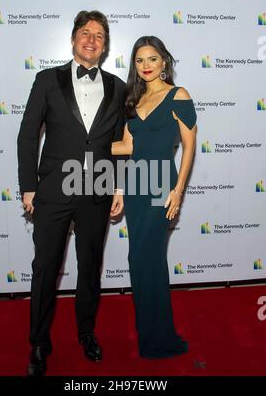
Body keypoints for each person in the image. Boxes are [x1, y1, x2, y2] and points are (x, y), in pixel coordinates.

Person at [17, 10, 126, 376]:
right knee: (45, 268)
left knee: (90, 268)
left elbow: (119, 143)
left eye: (99, 35)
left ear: (105, 45)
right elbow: (28, 135)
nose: (91, 39)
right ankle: (38, 342)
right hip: (53, 190)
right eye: (85, 32)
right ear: (73, 39)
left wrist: (119, 185)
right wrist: (28, 186)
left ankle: (86, 332)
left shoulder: (117, 87)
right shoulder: (47, 80)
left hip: (96, 190)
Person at [112, 36, 197, 358]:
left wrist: (178, 191)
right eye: (139, 60)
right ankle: (151, 334)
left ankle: (160, 339)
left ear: (164, 62)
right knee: (140, 260)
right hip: (135, 186)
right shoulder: (133, 102)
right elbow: (127, 148)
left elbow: (189, 147)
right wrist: (84, 145)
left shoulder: (179, 95)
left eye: (152, 59)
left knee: (148, 260)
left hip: (163, 185)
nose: (146, 66)